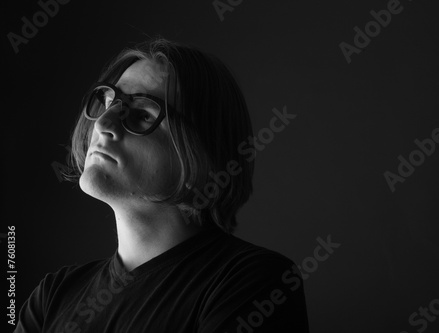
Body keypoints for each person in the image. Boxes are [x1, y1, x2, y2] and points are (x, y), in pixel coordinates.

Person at [14, 37, 309, 332]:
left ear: (203, 156)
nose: (103, 124)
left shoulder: (255, 282)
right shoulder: (53, 295)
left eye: (143, 115)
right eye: (107, 102)